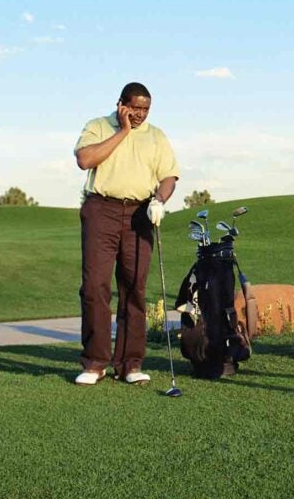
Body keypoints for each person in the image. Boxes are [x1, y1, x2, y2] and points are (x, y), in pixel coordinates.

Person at [73, 82, 179, 386]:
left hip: (140, 213)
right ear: (121, 104)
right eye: (135, 108)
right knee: (95, 286)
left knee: (134, 288)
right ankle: (95, 363)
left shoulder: (157, 136)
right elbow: (85, 160)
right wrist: (122, 131)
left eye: (146, 109)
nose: (141, 115)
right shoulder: (98, 126)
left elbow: (168, 176)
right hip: (100, 210)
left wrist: (160, 200)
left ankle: (130, 364)